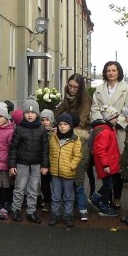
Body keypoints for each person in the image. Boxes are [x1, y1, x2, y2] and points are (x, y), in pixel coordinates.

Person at [90, 61, 128, 209]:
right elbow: (94, 109)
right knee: (105, 164)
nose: (111, 73)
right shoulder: (99, 89)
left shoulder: (126, 89)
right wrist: (103, 122)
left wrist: (114, 122)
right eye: (108, 70)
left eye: (114, 70)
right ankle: (105, 197)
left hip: (119, 130)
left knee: (117, 165)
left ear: (119, 72)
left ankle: (117, 197)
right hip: (103, 130)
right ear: (105, 72)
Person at [54, 73, 93, 210]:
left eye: (75, 87)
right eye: (70, 86)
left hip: (80, 133)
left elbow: (82, 119)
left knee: (79, 167)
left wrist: (71, 131)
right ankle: (69, 198)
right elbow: (60, 110)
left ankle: (81, 199)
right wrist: (50, 119)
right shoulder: (68, 95)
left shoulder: (85, 98)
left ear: (80, 87)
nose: (72, 89)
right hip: (69, 129)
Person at [8, 99, 49, 223]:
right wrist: (12, 165)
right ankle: (16, 210)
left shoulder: (42, 129)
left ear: (37, 114)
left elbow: (45, 149)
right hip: (22, 164)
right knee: (19, 188)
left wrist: (45, 165)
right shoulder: (19, 129)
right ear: (23, 114)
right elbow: (13, 148)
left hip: (36, 165)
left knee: (34, 189)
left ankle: (31, 212)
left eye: (32, 112)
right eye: (27, 112)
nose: (30, 115)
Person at [48, 113, 82, 227]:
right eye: (60, 124)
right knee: (56, 196)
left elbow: (77, 155)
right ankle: (55, 214)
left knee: (68, 196)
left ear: (70, 126)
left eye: (65, 124)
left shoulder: (75, 140)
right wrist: (51, 163)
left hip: (68, 173)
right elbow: (50, 153)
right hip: (55, 172)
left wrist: (71, 166)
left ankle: (68, 214)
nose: (62, 127)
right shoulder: (54, 137)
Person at [88, 107, 121, 217]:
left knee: (111, 184)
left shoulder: (109, 129)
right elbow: (101, 150)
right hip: (107, 165)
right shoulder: (105, 132)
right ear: (110, 118)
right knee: (108, 185)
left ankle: (97, 198)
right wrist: (105, 165)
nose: (117, 119)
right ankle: (103, 206)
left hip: (110, 164)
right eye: (115, 117)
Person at [39, 108, 55, 211]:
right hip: (43, 163)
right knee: (44, 185)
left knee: (56, 185)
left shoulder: (55, 133)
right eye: (43, 120)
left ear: (52, 121)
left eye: (47, 120)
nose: (45, 122)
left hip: (53, 163)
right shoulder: (39, 132)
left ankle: (55, 203)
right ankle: (47, 201)